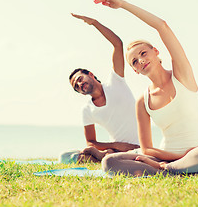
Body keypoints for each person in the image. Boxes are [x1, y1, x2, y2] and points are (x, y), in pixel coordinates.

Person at [94, 0, 198, 176]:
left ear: (156, 52)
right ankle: (179, 170)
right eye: (135, 61)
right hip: (164, 157)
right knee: (110, 161)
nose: (141, 60)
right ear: (135, 70)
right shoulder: (143, 101)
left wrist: (123, 5)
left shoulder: (182, 75)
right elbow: (147, 149)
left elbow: (162, 25)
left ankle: (168, 170)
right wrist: (172, 158)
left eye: (143, 53)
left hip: (197, 153)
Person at [59, 13, 139, 164]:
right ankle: (104, 155)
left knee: (120, 158)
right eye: (77, 87)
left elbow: (117, 44)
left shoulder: (116, 81)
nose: (80, 85)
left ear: (90, 74)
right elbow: (91, 142)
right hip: (117, 150)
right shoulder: (88, 110)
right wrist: (117, 145)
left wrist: (94, 23)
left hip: (139, 147)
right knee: (63, 156)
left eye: (80, 79)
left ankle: (100, 156)